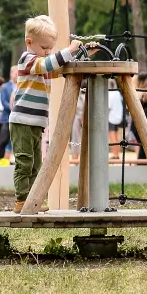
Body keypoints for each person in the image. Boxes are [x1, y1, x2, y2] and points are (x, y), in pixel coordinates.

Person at [8, 15, 91, 213]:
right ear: (29, 42)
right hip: (22, 121)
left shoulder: (43, 63)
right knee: (24, 161)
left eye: (50, 48)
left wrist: (83, 52)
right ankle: (21, 200)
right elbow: (48, 65)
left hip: (36, 122)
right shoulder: (27, 60)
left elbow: (59, 69)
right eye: (45, 47)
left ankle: (32, 199)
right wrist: (69, 49)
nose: (48, 52)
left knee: (36, 164)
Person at [0, 67, 17, 162]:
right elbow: (3, 101)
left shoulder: (22, 85)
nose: (17, 76)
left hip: (19, 118)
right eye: (15, 73)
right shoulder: (5, 87)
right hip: (7, 118)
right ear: (11, 74)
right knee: (4, 140)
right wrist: (12, 108)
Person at [108, 78, 125, 160]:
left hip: (111, 118)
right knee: (117, 137)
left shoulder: (109, 94)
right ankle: (117, 154)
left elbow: (108, 107)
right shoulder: (118, 93)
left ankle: (115, 155)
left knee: (112, 137)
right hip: (119, 117)